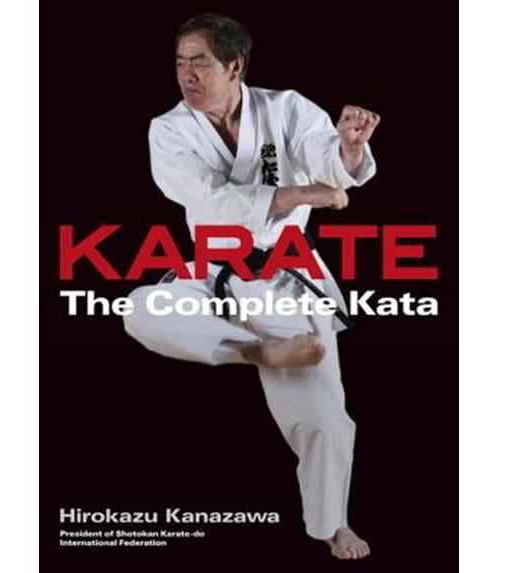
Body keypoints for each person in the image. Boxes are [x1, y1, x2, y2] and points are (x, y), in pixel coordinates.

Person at [124, 13, 380, 560]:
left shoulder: (286, 108)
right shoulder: (168, 129)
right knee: (141, 308)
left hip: (282, 276)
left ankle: (332, 524)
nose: (186, 74)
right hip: (211, 271)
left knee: (325, 418)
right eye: (179, 62)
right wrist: (304, 195)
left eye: (199, 62)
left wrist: (349, 151)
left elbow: (329, 158)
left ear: (234, 66)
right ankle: (254, 350)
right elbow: (208, 200)